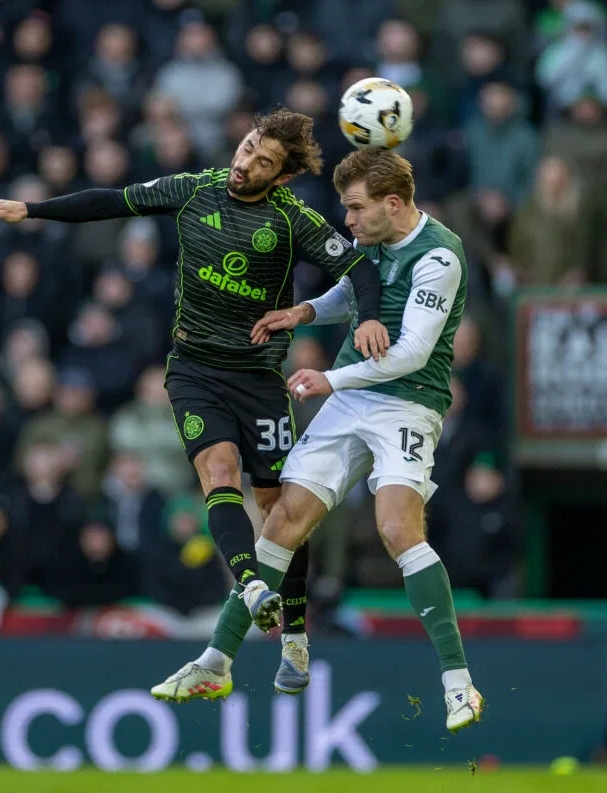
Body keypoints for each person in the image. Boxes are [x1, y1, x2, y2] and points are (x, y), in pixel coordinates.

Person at [0, 109, 388, 643]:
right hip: (194, 370)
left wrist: (369, 317)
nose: (244, 164)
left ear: (281, 177)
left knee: (277, 509)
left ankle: (296, 630)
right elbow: (110, 201)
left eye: (262, 162)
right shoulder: (193, 189)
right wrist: (30, 209)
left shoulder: (291, 220)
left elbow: (360, 269)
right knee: (217, 472)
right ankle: (251, 586)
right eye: (246, 148)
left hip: (257, 377)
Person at [151, 149, 484, 734]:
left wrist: (328, 378)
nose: (347, 223)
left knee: (396, 527)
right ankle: (216, 661)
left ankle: (459, 684)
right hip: (353, 396)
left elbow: (410, 354)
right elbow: (351, 297)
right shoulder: (372, 238)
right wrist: (302, 312)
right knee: (282, 519)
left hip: (408, 403)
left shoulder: (439, 257)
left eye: (355, 210)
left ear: (394, 204)